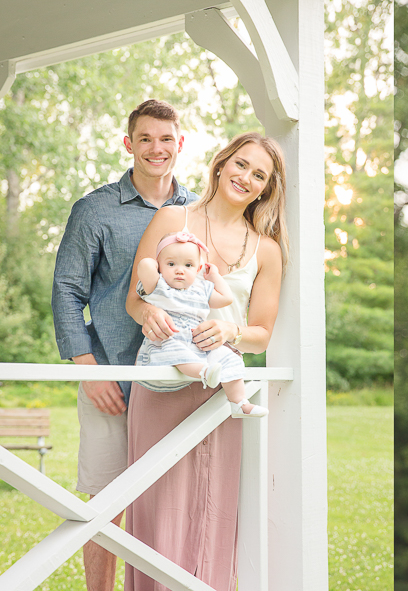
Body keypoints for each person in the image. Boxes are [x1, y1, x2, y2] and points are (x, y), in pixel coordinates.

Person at [123, 131, 287, 591]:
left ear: (266, 189)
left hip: (221, 390)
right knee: (157, 503)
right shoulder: (174, 217)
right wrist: (150, 310)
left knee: (213, 503)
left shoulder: (267, 249)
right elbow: (136, 298)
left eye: (259, 176)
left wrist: (231, 330)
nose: (246, 178)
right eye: (241, 165)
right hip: (161, 381)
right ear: (221, 164)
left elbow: (260, 334)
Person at [51, 98, 196, 591]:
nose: (157, 148)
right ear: (128, 143)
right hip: (110, 377)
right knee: (103, 502)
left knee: (176, 500)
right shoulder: (94, 211)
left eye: (166, 138)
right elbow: (67, 291)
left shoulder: (195, 212)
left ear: (181, 143)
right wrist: (89, 371)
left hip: (179, 382)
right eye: (146, 138)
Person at [133, 231, 266, 418]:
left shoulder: (201, 288)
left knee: (229, 356)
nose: (180, 270)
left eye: (188, 265)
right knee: (177, 351)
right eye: (171, 264)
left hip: (198, 341)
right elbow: (144, 265)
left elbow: (226, 298)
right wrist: (158, 262)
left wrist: (215, 277)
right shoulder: (158, 286)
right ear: (160, 266)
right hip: (169, 339)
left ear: (197, 269)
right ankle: (204, 372)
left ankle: (239, 403)